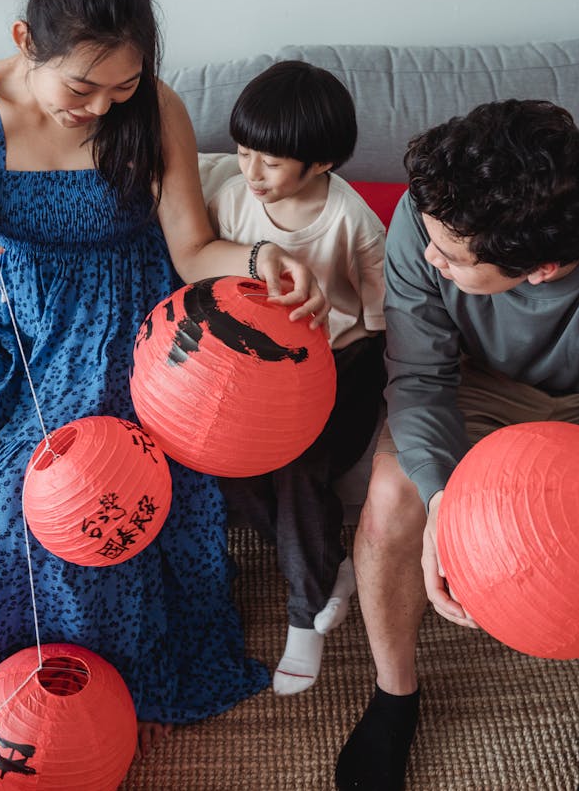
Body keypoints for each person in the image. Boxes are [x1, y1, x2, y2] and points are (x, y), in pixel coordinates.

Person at [0, 0, 329, 766]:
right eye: (81, 86)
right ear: (26, 42)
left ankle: (111, 677)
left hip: (127, 325)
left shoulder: (153, 108)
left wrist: (259, 259)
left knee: (39, 493)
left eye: (121, 86)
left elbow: (195, 247)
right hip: (18, 327)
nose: (99, 106)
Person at [336, 98, 579, 791]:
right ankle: (395, 692)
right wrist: (445, 495)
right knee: (390, 498)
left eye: (448, 258)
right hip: (478, 384)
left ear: (539, 268)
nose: (426, 254)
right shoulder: (427, 212)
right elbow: (417, 377)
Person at [208, 60, 387, 695]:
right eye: (244, 152)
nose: (251, 172)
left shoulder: (353, 221)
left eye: (271, 162)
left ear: (321, 164)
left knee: (298, 462)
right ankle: (330, 565)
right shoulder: (230, 196)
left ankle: (306, 616)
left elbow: (380, 320)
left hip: (344, 364)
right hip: (260, 371)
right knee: (225, 462)